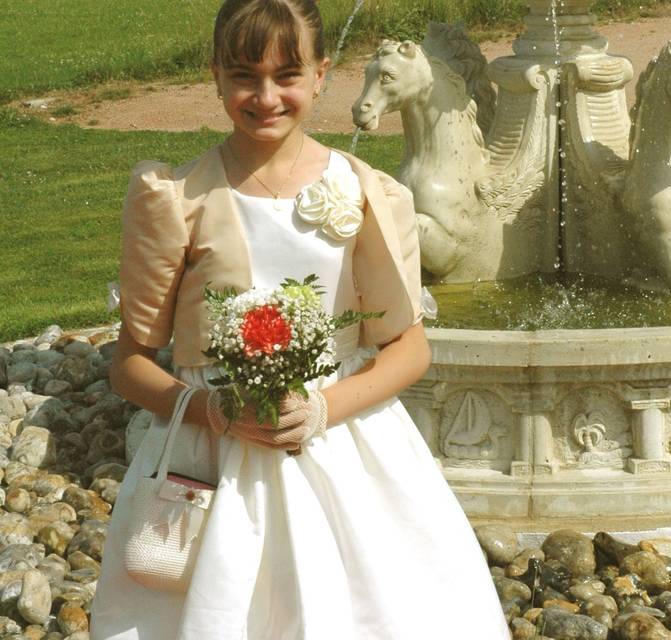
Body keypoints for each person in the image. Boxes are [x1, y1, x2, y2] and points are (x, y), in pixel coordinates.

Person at [89, 1, 511, 638]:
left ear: (322, 74)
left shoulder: (365, 193)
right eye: (243, 76)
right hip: (212, 459)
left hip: (343, 445)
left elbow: (408, 348)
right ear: (216, 76)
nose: (265, 96)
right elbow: (130, 365)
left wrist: (322, 409)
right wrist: (211, 410)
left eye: (287, 75)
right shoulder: (177, 200)